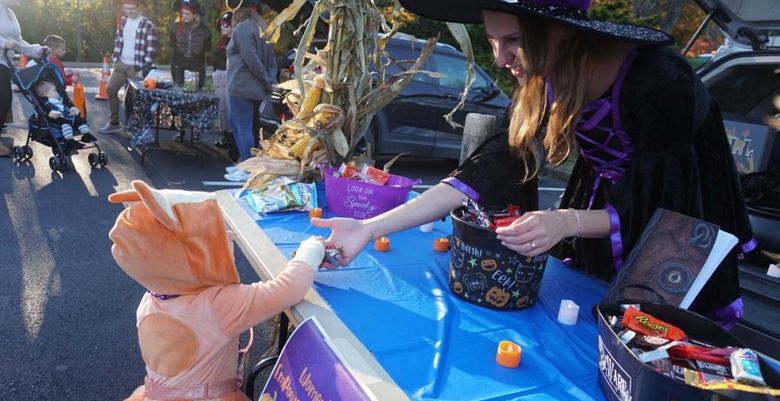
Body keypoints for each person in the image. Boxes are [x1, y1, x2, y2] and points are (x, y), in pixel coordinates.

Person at [313, 0, 754, 329]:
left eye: (513, 41)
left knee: (651, 347)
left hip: (680, 238)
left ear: (561, 33)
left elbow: (669, 212)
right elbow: (485, 170)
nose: (500, 58)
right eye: (492, 42)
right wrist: (369, 229)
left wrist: (565, 221)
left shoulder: (661, 81)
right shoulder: (545, 81)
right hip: (601, 222)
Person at [83, 180, 325, 401]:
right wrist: (312, 250)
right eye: (216, 234)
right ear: (193, 248)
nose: (224, 239)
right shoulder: (219, 305)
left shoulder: (154, 296)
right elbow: (289, 288)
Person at [225, 0, 278, 181]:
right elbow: (272, 60)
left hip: (242, 86)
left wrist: (266, 80)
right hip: (254, 88)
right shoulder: (264, 28)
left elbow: (251, 58)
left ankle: (247, 169)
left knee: (242, 128)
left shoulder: (242, 28)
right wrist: (269, 80)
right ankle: (245, 165)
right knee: (240, 124)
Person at [98, 0, 157, 134]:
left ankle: (135, 127)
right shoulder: (123, 21)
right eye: (126, 8)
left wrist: (144, 69)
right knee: (110, 89)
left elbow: (151, 49)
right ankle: (114, 123)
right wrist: (115, 56)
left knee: (133, 99)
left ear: (139, 7)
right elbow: (119, 40)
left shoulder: (147, 25)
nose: (129, 11)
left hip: (135, 67)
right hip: (121, 63)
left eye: (132, 9)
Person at [0, 0, 46, 156]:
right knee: (4, 99)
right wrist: (4, 42)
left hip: (4, 62)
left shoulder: (11, 13)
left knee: (4, 100)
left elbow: (18, 41)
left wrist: (37, 51)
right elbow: (10, 42)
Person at [169, 0, 211, 142]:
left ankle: (195, 130)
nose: (184, 16)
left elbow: (206, 52)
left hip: (196, 69)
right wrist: (174, 73)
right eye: (182, 13)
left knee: (195, 101)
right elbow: (173, 52)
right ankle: (181, 130)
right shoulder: (175, 29)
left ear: (195, 15)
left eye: (187, 14)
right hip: (180, 68)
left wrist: (201, 73)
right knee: (181, 101)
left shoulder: (204, 31)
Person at [33, 80, 96, 149]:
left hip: (67, 115)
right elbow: (43, 110)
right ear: (45, 93)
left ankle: (86, 134)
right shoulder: (45, 102)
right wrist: (50, 113)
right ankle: (70, 140)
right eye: (55, 91)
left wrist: (72, 108)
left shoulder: (59, 99)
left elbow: (67, 104)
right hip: (56, 119)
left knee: (80, 120)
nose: (57, 92)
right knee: (66, 125)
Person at [213, 10, 238, 159]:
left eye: (227, 25)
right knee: (221, 108)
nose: (223, 27)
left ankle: (233, 141)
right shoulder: (221, 41)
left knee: (230, 110)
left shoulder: (235, 41)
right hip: (219, 75)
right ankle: (225, 137)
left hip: (230, 77)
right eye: (222, 25)